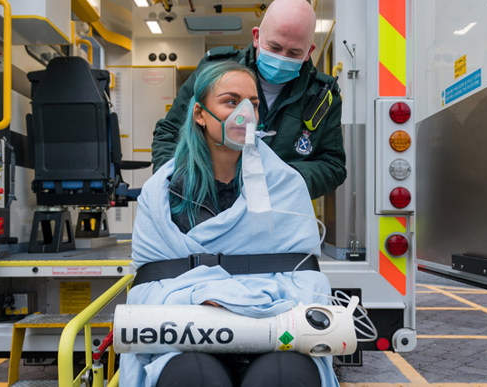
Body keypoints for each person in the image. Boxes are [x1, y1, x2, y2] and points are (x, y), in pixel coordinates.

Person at [119, 61, 339, 387]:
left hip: (273, 329)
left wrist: (239, 304)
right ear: (199, 115)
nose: (245, 114)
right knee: (192, 377)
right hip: (187, 329)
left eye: (252, 104)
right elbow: (150, 283)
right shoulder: (164, 192)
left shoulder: (285, 185)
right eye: (231, 101)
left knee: (285, 377)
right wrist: (209, 301)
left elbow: (305, 278)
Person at [151, 0, 346, 200]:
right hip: (208, 203)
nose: (281, 58)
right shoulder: (216, 71)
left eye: (294, 53)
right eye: (274, 47)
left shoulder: (323, 95)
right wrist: (177, 185)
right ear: (256, 37)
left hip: (279, 210)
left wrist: (283, 180)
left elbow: (333, 166)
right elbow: (170, 132)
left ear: (308, 52)